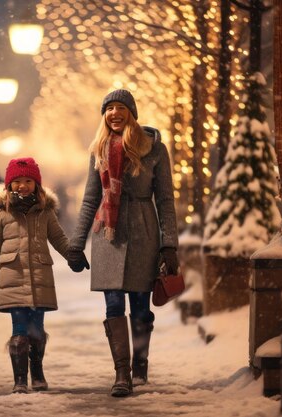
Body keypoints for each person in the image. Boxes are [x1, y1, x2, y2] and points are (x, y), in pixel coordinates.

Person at [67, 89, 180, 397]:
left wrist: (169, 244)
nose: (114, 113)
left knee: (141, 307)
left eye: (120, 108)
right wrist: (75, 245)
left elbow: (166, 200)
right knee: (113, 304)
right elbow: (91, 199)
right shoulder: (99, 149)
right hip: (109, 235)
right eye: (109, 108)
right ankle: (122, 374)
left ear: (131, 113)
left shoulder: (155, 149)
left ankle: (140, 362)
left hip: (144, 231)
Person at [0, 157, 71, 393]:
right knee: (20, 331)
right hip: (13, 278)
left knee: (37, 331)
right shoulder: (1, 215)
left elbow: (59, 239)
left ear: (36, 184)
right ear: (9, 185)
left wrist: (74, 256)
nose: (23, 185)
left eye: (28, 181)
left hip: (40, 278)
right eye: (17, 181)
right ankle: (20, 380)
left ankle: (37, 373)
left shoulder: (45, 213)